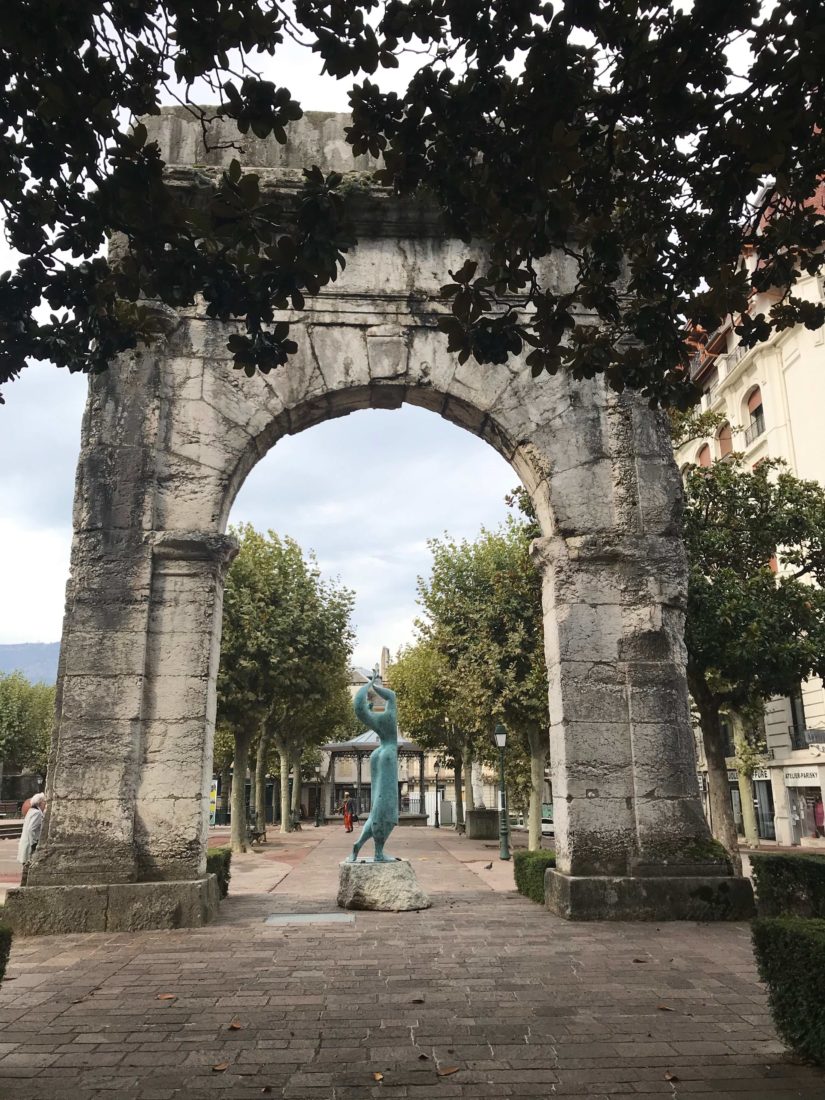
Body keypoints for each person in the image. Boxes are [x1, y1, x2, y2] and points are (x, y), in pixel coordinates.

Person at [17, 792, 46, 885]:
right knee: (28, 869)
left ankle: (24, 886)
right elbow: (31, 829)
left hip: (25, 844)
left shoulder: (31, 811)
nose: (45, 804)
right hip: (29, 845)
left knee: (26, 869)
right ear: (40, 802)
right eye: (44, 802)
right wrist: (34, 843)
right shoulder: (37, 813)